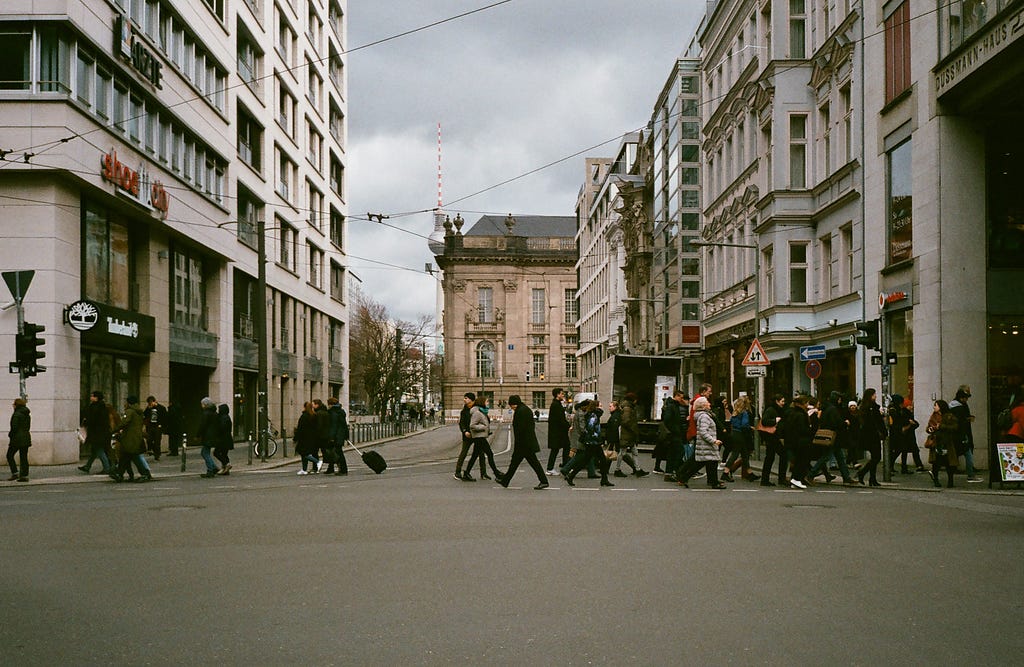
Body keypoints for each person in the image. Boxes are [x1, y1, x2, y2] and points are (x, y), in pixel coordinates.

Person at [498, 395, 548, 489]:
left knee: (522, 463)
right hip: (526, 442)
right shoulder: (524, 409)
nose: (511, 408)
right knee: (521, 462)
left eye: (511, 405)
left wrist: (519, 443)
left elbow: (520, 429)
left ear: (514, 404)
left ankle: (544, 481)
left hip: (524, 443)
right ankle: (505, 481)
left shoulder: (520, 411)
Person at [676, 396, 726, 489]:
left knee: (707, 462)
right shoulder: (704, 417)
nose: (709, 404)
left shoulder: (703, 415)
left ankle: (684, 478)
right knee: (705, 463)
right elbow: (703, 431)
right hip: (706, 444)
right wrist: (713, 440)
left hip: (704, 444)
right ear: (703, 406)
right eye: (707, 402)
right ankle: (713, 482)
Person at [807, 391, 855, 485]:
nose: (840, 401)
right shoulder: (833, 409)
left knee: (840, 458)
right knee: (826, 457)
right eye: (839, 399)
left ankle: (846, 477)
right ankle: (811, 474)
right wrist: (845, 423)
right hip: (833, 437)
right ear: (837, 399)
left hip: (830, 436)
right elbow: (836, 423)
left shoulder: (826, 408)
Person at [563, 400, 614, 487]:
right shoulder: (593, 416)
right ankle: (604, 480)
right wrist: (597, 439)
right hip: (593, 442)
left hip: (592, 441)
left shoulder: (593, 414)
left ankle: (571, 476)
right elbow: (590, 428)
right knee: (600, 460)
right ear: (596, 407)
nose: (602, 407)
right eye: (600, 405)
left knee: (586, 460)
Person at [111, 396, 150, 482]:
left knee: (131, 456)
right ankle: (119, 474)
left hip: (129, 438)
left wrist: (114, 430)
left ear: (129, 403)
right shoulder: (139, 412)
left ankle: (144, 473)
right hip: (136, 437)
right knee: (126, 456)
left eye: (126, 402)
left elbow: (125, 422)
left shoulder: (130, 411)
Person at [465, 396, 503, 482]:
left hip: (480, 436)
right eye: (486, 402)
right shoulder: (477, 413)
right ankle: (496, 473)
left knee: (475, 456)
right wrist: (484, 427)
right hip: (479, 437)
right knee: (489, 454)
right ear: (482, 403)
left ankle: (467, 473)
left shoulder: (481, 412)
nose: (488, 404)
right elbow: (472, 425)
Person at [949, 385, 981, 482]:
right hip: (962, 433)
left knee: (959, 452)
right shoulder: (960, 407)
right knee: (967, 452)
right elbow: (961, 420)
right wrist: (967, 419)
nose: (966, 399)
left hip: (957, 433)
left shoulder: (953, 405)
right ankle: (970, 473)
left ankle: (956, 469)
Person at [856, 388, 886, 486]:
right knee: (877, 457)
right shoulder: (871, 408)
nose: (875, 396)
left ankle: (872, 479)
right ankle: (863, 473)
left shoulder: (865, 407)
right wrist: (883, 432)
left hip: (868, 435)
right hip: (872, 436)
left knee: (874, 457)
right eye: (874, 394)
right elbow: (876, 422)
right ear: (870, 396)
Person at [925, 400, 959, 488]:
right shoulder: (933, 416)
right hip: (937, 442)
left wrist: (942, 426)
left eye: (935, 405)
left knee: (949, 463)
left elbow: (955, 427)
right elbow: (928, 427)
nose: (934, 407)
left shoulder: (949, 416)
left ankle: (950, 481)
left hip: (947, 442)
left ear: (941, 406)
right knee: (936, 463)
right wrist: (930, 429)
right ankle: (936, 480)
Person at [614, 393, 649, 478]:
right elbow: (626, 421)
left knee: (634, 452)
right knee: (623, 452)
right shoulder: (628, 408)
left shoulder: (627, 407)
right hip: (627, 433)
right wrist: (633, 428)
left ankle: (637, 469)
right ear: (633, 400)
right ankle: (617, 469)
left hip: (628, 433)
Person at [723, 395, 757, 482]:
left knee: (745, 454)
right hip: (740, 435)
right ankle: (725, 472)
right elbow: (744, 425)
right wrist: (750, 428)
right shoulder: (744, 413)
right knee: (735, 454)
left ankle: (749, 473)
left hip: (734, 433)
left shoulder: (735, 413)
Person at [782, 395, 812, 489]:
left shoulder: (790, 412)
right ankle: (796, 479)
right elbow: (802, 429)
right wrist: (810, 429)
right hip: (801, 441)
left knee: (797, 461)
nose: (807, 405)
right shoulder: (801, 414)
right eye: (806, 403)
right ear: (802, 404)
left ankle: (794, 481)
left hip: (791, 440)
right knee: (801, 461)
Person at [888, 394, 923, 474]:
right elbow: (897, 421)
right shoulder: (893, 410)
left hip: (903, 434)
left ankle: (900, 467)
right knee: (898, 450)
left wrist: (909, 423)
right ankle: (890, 466)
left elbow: (914, 423)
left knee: (903, 450)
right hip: (896, 434)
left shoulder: (901, 410)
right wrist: (908, 423)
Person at [79, 391, 111, 475]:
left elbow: (93, 420)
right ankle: (87, 466)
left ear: (96, 398)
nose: (91, 397)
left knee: (99, 449)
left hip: (97, 433)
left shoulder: (96, 407)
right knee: (95, 450)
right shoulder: (101, 406)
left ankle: (107, 468)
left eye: (92, 396)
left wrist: (86, 421)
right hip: (100, 432)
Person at [758, 394, 787, 487]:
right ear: (777, 401)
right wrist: (775, 420)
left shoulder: (776, 409)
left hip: (772, 437)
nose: (783, 403)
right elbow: (764, 421)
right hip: (771, 437)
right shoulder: (771, 410)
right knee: (782, 455)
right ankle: (781, 478)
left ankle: (765, 479)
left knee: (770, 458)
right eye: (782, 401)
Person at [663, 390, 689, 482]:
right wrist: (675, 429)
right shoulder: (672, 406)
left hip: (674, 433)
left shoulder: (673, 405)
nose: (682, 400)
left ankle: (669, 473)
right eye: (681, 397)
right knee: (680, 452)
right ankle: (676, 471)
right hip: (674, 434)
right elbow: (667, 420)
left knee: (672, 453)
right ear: (676, 396)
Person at [545, 388, 570, 475]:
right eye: (562, 394)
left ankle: (564, 466)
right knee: (557, 449)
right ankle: (551, 468)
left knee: (562, 448)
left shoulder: (557, 404)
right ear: (557, 395)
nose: (563, 395)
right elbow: (561, 419)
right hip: (558, 432)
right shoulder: (556, 405)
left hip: (558, 432)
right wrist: (569, 426)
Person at [6, 397, 31, 482]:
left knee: (9, 455)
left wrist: (10, 435)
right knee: (23, 457)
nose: (13, 406)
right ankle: (24, 475)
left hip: (17, 439)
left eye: (14, 404)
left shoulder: (16, 414)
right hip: (26, 437)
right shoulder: (27, 414)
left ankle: (15, 473)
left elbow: (14, 427)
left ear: (16, 405)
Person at [293, 401, 320, 475]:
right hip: (312, 438)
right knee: (305, 453)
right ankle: (304, 469)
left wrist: (296, 438)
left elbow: (300, 428)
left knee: (303, 453)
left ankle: (317, 462)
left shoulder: (304, 416)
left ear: (305, 407)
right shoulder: (314, 415)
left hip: (304, 438)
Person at [197, 397, 221, 478]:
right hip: (213, 435)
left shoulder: (206, 413)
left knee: (204, 453)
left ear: (205, 405)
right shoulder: (214, 413)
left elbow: (202, 425)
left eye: (202, 404)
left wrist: (198, 435)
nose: (201, 405)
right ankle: (213, 467)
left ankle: (211, 469)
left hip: (208, 436)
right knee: (205, 452)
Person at [325, 396, 349, 475]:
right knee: (335, 452)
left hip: (336, 436)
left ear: (331, 404)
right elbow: (344, 425)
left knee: (338, 453)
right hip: (340, 435)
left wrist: (331, 437)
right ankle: (331, 468)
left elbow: (333, 426)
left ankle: (343, 470)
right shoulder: (340, 411)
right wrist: (346, 435)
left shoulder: (333, 413)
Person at [454, 392, 475, 481]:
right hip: (467, 435)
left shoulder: (477, 409)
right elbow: (461, 423)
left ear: (471, 399)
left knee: (481, 453)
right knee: (463, 453)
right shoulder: (464, 411)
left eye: (466, 398)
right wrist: (465, 431)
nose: (464, 400)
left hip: (476, 434)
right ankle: (457, 472)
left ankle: (483, 472)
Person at [143, 395, 167, 461]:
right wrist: (148, 408)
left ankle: (157, 454)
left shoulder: (161, 408)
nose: (150, 404)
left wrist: (162, 426)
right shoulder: (148, 408)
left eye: (151, 402)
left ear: (154, 401)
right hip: (150, 426)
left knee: (157, 441)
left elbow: (164, 417)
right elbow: (144, 415)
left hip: (157, 426)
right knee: (149, 439)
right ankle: (151, 449)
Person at [214, 403, 233, 475]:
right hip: (227, 438)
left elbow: (222, 428)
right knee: (224, 454)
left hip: (223, 439)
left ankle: (227, 464)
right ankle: (225, 469)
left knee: (216, 452)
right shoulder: (226, 417)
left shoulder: (223, 418)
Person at [313, 399, 330, 473]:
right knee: (326, 452)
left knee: (315, 452)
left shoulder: (318, 413)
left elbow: (318, 425)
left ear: (317, 405)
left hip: (319, 436)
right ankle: (331, 467)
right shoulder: (326, 412)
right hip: (326, 435)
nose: (312, 406)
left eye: (313, 404)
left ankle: (315, 467)